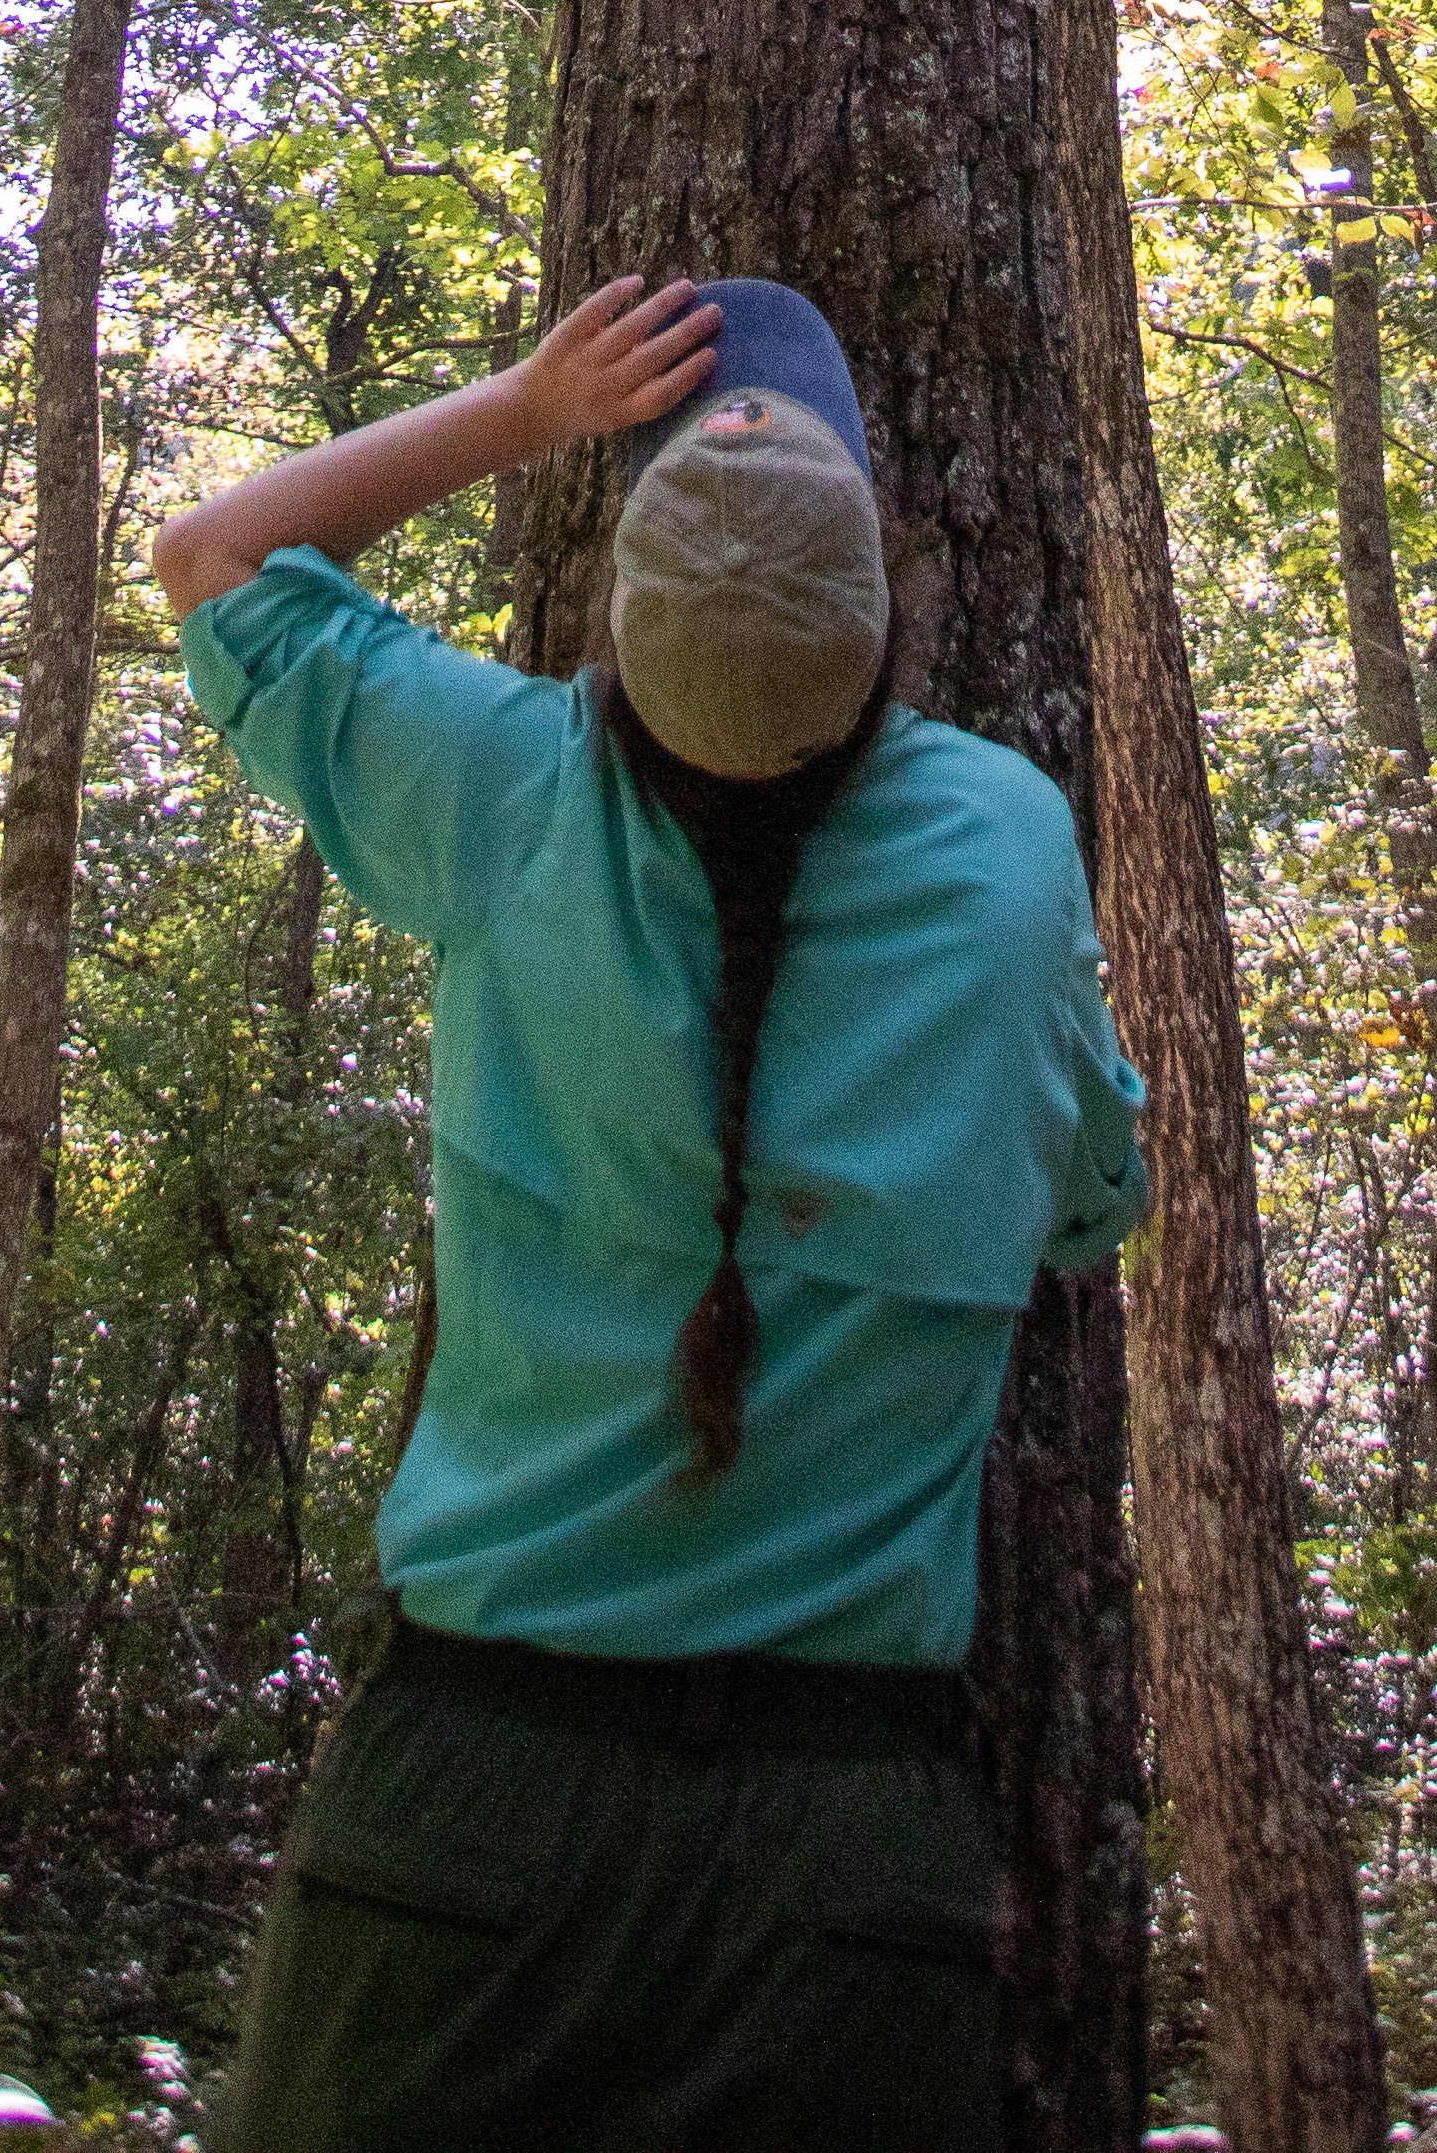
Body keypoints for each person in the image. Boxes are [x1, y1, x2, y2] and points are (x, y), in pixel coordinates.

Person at [151, 264, 1148, 2153]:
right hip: (845, 1850)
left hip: (469, 1803)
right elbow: (1095, 1209)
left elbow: (217, 555)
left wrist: (527, 412)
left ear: (618, 619)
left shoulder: (509, 782)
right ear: (876, 608)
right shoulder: (1011, 844)